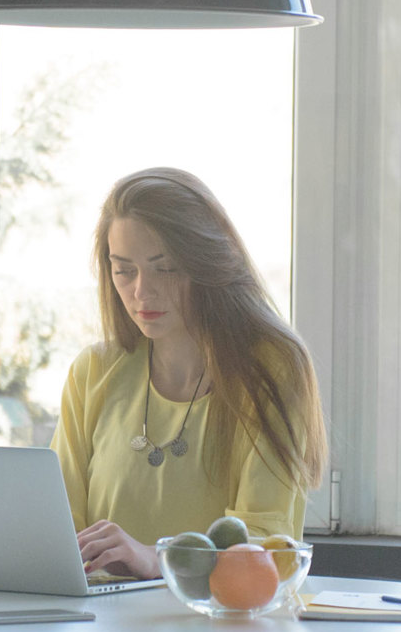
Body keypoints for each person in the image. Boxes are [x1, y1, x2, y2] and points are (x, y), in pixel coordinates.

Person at [50, 167, 327, 580]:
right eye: (124, 270)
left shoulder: (271, 368)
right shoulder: (93, 371)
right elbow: (56, 526)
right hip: (97, 631)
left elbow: (263, 542)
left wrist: (154, 559)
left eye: (166, 268)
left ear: (207, 264)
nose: (142, 291)